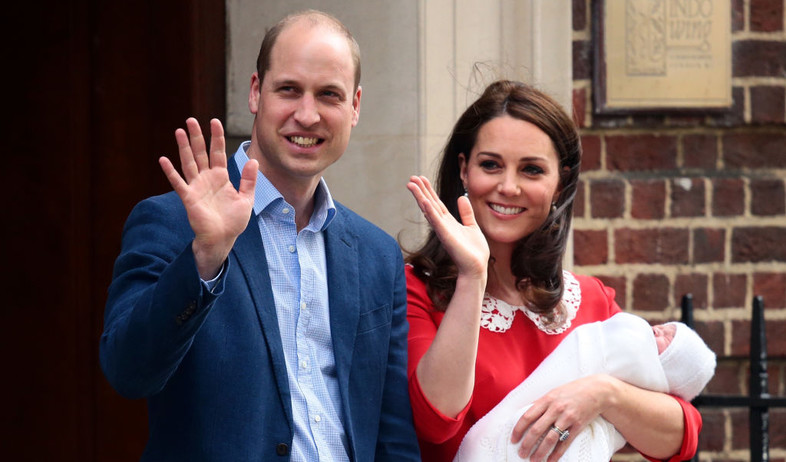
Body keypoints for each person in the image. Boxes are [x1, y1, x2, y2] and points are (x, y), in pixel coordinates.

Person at [100, 10, 420, 461]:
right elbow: (128, 372)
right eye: (289, 89)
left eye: (329, 95)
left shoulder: (376, 254)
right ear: (256, 92)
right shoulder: (172, 224)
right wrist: (205, 258)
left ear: (355, 107)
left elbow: (392, 436)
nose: (307, 115)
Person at [405, 79, 703, 462]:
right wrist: (473, 277)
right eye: (491, 165)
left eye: (531, 170)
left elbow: (681, 435)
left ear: (559, 185)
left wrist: (600, 395)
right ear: (464, 170)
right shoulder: (414, 289)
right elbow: (435, 422)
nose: (508, 187)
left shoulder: (591, 300)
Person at [455, 312, 716, 461]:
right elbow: (431, 418)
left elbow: (685, 427)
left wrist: (602, 393)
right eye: (664, 328)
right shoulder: (428, 298)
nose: (657, 330)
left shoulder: (595, 299)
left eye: (670, 339)